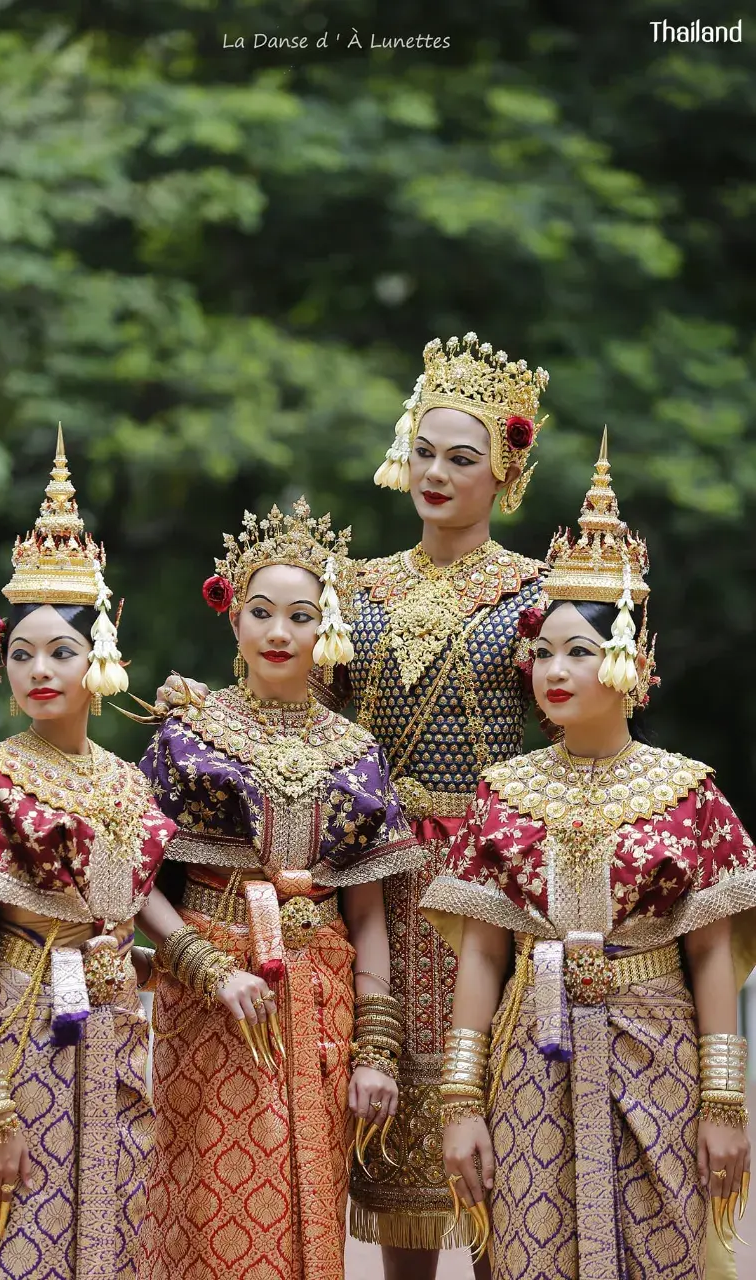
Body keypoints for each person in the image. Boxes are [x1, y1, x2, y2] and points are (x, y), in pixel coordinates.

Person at [156, 334, 551, 1277]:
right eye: (423, 449)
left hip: (485, 879)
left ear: (505, 471)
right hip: (358, 882)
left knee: (494, 1114)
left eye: (463, 457)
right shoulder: (353, 591)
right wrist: (195, 713)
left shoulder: (538, 593)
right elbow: (286, 717)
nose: (436, 472)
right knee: (370, 1133)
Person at [421, 434, 755, 1279]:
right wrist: (460, 1103)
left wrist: (724, 1101)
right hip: (529, 1053)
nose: (553, 671)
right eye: (541, 653)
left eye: (576, 651)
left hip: (657, 1049)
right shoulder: (503, 792)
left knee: (661, 1248)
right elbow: (483, 955)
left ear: (628, 659)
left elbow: (712, 950)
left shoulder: (688, 793)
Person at [0, 428, 176, 1280]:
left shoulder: (132, 785)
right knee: (8, 1239)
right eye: (21, 653)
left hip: (114, 1034)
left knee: (113, 1236)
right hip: (20, 1032)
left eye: (61, 650)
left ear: (100, 659)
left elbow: (131, 921)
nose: (39, 670)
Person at [133, 499, 424, 1280]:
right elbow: (129, 875)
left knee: (308, 1204)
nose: (278, 632)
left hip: (320, 994)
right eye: (261, 611)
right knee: (207, 1207)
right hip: (212, 994)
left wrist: (377, 1052)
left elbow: (367, 916)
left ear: (323, 628)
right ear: (233, 620)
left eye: (300, 615)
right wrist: (201, 964)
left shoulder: (356, 753)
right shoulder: (190, 736)